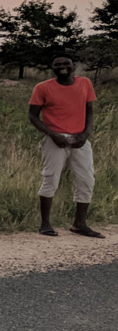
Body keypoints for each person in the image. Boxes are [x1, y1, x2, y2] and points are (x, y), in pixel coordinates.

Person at [28, 55, 102, 238]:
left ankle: (80, 224)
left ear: (73, 66)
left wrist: (85, 134)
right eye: (57, 64)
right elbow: (33, 116)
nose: (62, 67)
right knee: (51, 179)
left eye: (66, 63)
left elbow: (89, 110)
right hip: (55, 140)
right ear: (52, 67)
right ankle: (45, 224)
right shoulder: (43, 88)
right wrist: (53, 135)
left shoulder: (84, 83)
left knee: (86, 179)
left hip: (80, 139)